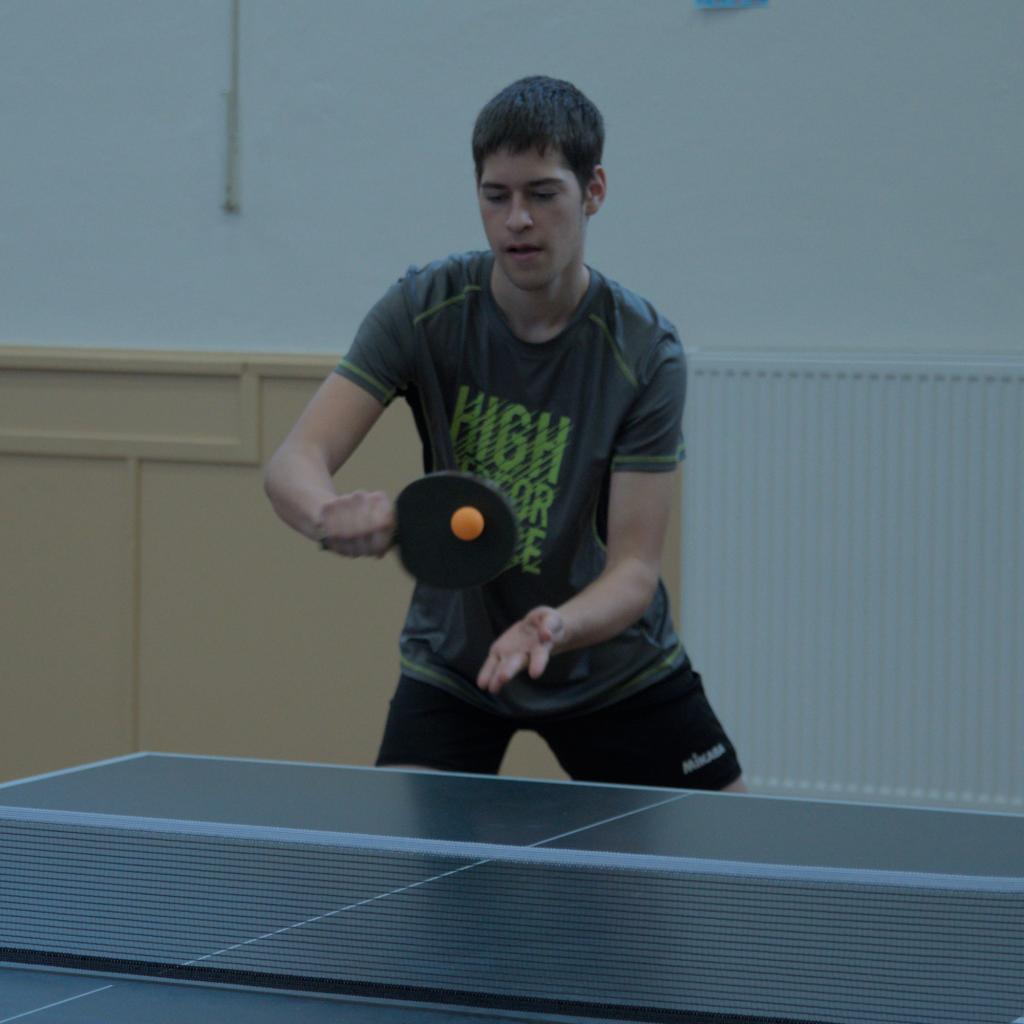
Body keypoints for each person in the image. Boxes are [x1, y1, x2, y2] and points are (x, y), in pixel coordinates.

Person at [264, 76, 745, 792]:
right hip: (458, 661)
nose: (517, 219)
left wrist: (552, 627)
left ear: (593, 190)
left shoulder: (644, 351)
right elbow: (293, 462)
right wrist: (326, 514)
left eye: (543, 194)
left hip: (608, 662)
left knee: (724, 843)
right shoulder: (425, 309)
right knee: (398, 858)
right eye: (496, 196)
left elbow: (634, 571)